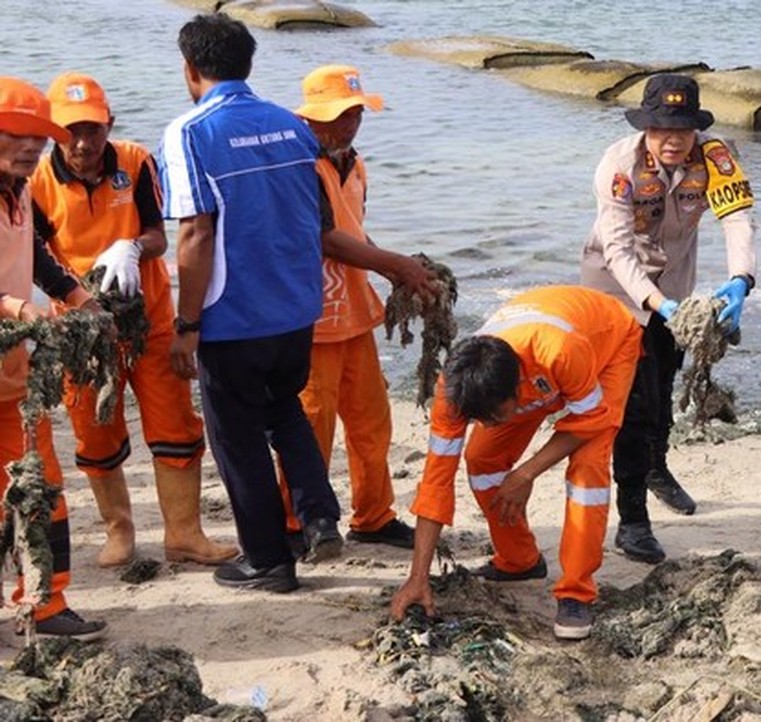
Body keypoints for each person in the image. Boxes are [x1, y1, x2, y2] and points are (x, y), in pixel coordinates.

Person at [156, 14, 343, 593]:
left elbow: (195, 234)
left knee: (236, 436)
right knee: (284, 409)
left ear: (189, 69)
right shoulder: (291, 125)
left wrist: (186, 325)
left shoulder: (190, 131)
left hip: (233, 315)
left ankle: (267, 560)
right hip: (295, 306)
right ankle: (317, 514)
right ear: (250, 64)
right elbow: (312, 216)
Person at [29, 72, 236, 569]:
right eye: (72, 131)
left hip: (151, 319)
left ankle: (184, 533)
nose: (83, 143)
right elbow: (30, 255)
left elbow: (159, 235)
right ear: (55, 132)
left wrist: (132, 247)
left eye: (94, 130)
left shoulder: (136, 162)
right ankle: (119, 530)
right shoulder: (38, 182)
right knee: (95, 433)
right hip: (83, 331)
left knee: (177, 427)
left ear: (110, 125)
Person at [389, 286, 642, 641]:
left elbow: (591, 421)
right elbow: (436, 481)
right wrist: (418, 577)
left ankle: (576, 593)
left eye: (494, 417)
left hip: (607, 343)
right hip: (538, 363)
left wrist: (526, 472)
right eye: (478, 420)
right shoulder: (454, 389)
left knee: (588, 468)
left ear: (519, 390)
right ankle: (519, 560)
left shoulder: (559, 352)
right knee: (482, 457)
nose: (487, 425)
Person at [580, 73, 757, 564]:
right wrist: (656, 305)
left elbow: (737, 216)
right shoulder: (619, 165)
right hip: (616, 288)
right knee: (633, 404)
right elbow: (617, 249)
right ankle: (633, 520)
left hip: (675, 283)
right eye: (661, 129)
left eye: (682, 129)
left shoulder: (716, 157)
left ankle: (657, 468)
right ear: (646, 128)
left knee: (662, 388)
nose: (672, 140)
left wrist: (742, 279)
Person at [276, 64, 438, 551]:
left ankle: (374, 516)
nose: (347, 124)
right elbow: (323, 238)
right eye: (337, 116)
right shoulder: (300, 165)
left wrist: (392, 266)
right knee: (311, 422)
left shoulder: (355, 163)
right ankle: (295, 521)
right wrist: (394, 265)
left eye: (354, 114)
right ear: (309, 118)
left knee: (371, 420)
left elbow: (351, 230)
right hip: (312, 318)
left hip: (354, 313)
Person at [0, 76, 107, 640]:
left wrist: (80, 299)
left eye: (39, 139)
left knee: (40, 487)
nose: (30, 148)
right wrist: (22, 309)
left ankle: (44, 603)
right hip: (12, 344)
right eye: (16, 134)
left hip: (15, 377)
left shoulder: (19, 192)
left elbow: (39, 256)